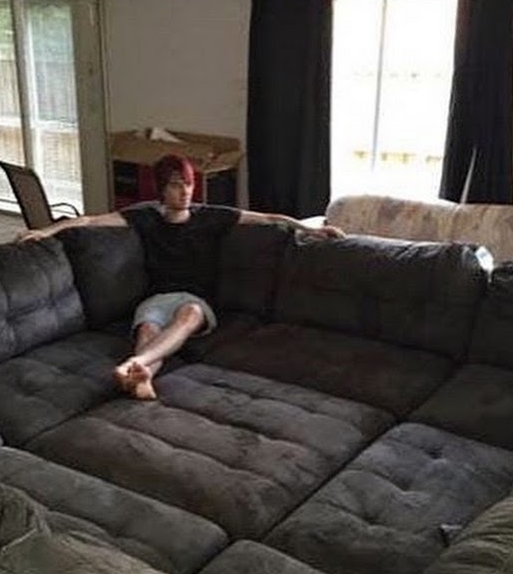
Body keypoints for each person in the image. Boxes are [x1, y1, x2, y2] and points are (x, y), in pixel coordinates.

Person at [21, 154, 344, 400]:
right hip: (155, 299)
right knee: (148, 328)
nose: (185, 191)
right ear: (162, 189)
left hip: (195, 301)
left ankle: (133, 364)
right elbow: (91, 221)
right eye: (176, 184)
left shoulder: (211, 217)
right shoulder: (145, 217)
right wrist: (45, 232)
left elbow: (269, 218)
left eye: (188, 183)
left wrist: (312, 230)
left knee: (188, 314)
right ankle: (142, 376)